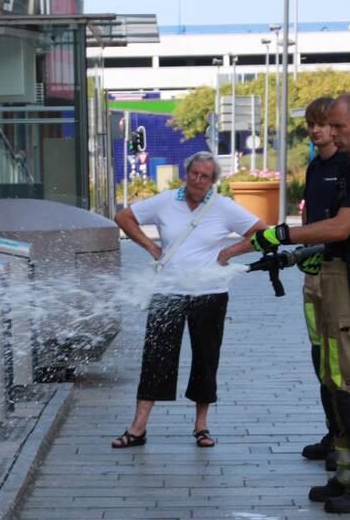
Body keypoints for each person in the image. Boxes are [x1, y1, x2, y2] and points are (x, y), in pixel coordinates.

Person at [222, 92, 350, 514]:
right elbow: (330, 234)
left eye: (338, 127)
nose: (331, 134)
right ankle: (345, 473)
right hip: (338, 284)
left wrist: (281, 235)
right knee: (336, 379)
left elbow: (340, 228)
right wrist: (295, 253)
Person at [111, 151, 268, 449]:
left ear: (213, 181)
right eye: (194, 173)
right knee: (156, 357)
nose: (197, 180)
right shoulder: (166, 201)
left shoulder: (223, 207)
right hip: (168, 290)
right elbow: (123, 217)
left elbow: (262, 232)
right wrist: (152, 248)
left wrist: (229, 253)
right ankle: (138, 427)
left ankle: (201, 426)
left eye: (204, 176)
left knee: (206, 359)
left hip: (209, 294)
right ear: (187, 173)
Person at [297, 96, 350, 470]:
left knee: (337, 362)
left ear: (337, 127)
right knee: (319, 357)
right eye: (311, 124)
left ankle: (345, 439)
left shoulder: (348, 166)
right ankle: (332, 432)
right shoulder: (315, 167)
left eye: (322, 124)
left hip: (336, 274)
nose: (316, 130)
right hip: (312, 275)